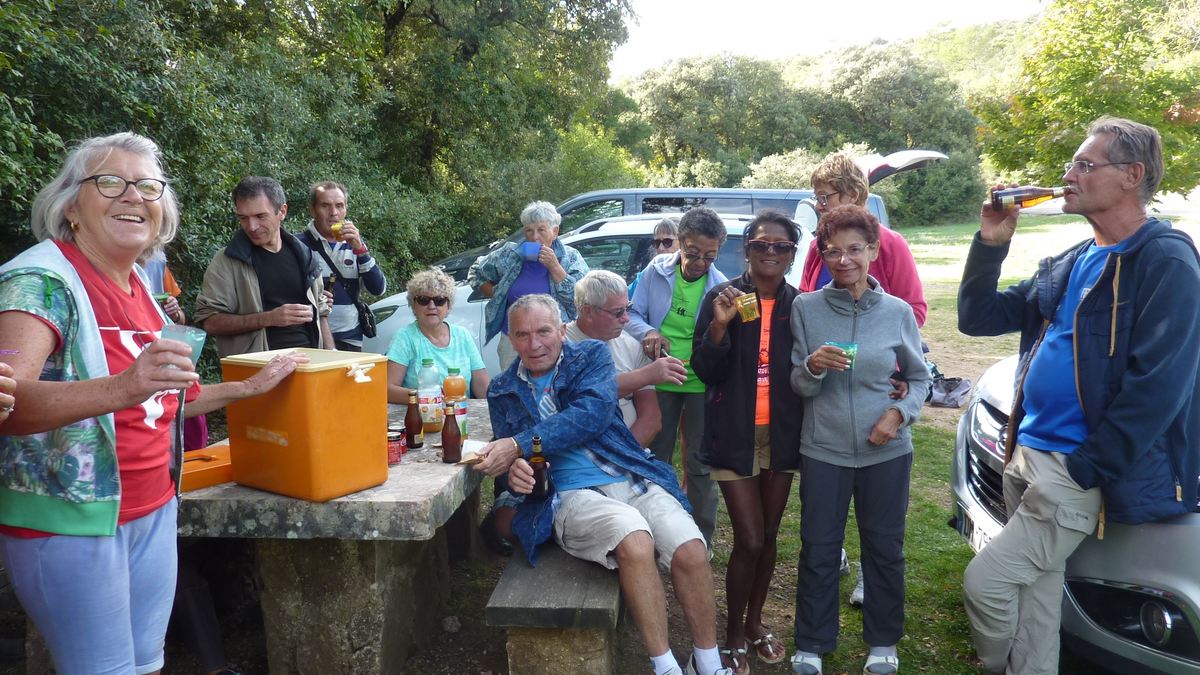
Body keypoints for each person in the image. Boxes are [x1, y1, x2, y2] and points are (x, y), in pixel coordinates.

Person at [0, 132, 306, 675]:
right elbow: (10, 406)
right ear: (71, 207)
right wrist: (124, 385)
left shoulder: (141, 285)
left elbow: (160, 397)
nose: (132, 196)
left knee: (146, 664)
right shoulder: (40, 281)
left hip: (154, 506)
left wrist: (246, 389)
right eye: (109, 182)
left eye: (147, 186)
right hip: (72, 521)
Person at [959, 117, 1200, 675]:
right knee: (1038, 598)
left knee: (987, 584)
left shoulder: (1165, 260)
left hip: (1070, 468)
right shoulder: (1076, 259)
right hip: (1027, 453)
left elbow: (1160, 383)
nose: (1068, 175)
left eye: (1085, 165)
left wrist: (1088, 467)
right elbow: (977, 317)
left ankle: (995, 664)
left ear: (1131, 176)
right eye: (1072, 164)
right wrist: (991, 243)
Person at [471, 294, 732, 675]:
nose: (534, 343)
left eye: (543, 331)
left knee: (690, 548)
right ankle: (665, 667)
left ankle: (707, 663)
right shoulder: (502, 390)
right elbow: (513, 461)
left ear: (562, 330)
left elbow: (589, 415)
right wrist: (516, 469)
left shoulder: (590, 356)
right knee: (635, 538)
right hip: (569, 494)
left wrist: (517, 446)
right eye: (522, 335)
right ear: (510, 339)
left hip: (627, 473)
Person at [788, 205, 930, 675]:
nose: (843, 260)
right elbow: (798, 383)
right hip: (823, 449)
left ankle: (883, 642)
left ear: (872, 250)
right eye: (833, 252)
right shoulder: (806, 308)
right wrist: (812, 367)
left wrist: (899, 413)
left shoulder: (897, 312)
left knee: (884, 549)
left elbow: (919, 377)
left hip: (885, 450)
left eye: (854, 250)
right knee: (819, 548)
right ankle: (812, 642)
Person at [691, 210, 804, 673]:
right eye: (761, 244)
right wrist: (719, 327)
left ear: (792, 254)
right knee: (750, 538)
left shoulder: (801, 305)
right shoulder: (723, 297)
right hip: (734, 434)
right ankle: (733, 631)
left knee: (770, 535)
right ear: (747, 249)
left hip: (781, 435)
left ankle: (755, 622)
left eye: (781, 246)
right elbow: (705, 370)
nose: (770, 252)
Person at [627, 206, 727, 547]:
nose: (700, 263)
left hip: (700, 382)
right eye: (693, 253)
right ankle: (654, 530)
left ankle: (700, 537)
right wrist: (649, 332)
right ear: (681, 243)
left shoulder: (720, 286)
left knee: (700, 463)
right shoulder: (655, 271)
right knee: (656, 455)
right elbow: (632, 314)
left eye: (709, 257)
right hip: (659, 375)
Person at [193, 176, 333, 357]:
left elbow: (321, 313)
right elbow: (210, 322)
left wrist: (331, 354)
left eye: (260, 216)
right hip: (257, 370)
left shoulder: (305, 256)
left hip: (309, 364)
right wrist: (268, 318)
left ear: (282, 211)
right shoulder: (227, 261)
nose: (251, 227)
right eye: (243, 218)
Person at [800, 153, 927, 326]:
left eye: (824, 197)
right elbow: (805, 302)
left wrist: (864, 335)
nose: (817, 206)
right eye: (816, 198)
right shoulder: (817, 245)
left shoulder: (891, 244)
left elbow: (915, 312)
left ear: (852, 195)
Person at [568, 270, 687, 446]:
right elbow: (583, 393)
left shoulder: (630, 345)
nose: (626, 319)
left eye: (628, 308)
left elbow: (652, 419)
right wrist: (648, 375)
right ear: (588, 312)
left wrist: (623, 454)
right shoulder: (560, 345)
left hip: (628, 449)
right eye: (618, 312)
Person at [467, 200, 589, 370]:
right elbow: (476, 272)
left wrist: (555, 267)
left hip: (556, 340)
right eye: (529, 231)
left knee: (556, 384)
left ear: (555, 232)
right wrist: (496, 293)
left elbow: (580, 302)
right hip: (513, 341)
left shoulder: (570, 258)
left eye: (541, 230)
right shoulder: (511, 255)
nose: (534, 237)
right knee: (515, 385)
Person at [298, 180, 387, 351]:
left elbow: (378, 289)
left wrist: (361, 250)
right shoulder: (298, 245)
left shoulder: (355, 245)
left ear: (345, 209)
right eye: (325, 206)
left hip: (350, 337)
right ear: (312, 210)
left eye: (339, 206)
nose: (333, 213)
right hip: (311, 337)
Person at [386, 268, 489, 402]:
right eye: (423, 300)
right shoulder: (404, 337)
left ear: (448, 306)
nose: (431, 306)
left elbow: (482, 386)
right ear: (413, 305)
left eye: (439, 300)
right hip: (422, 412)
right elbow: (388, 390)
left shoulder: (462, 335)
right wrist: (426, 397)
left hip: (461, 411)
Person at [628, 216, 681, 298]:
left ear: (683, 242)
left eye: (667, 242)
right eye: (657, 242)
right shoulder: (649, 273)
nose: (660, 248)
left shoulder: (694, 273)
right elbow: (625, 295)